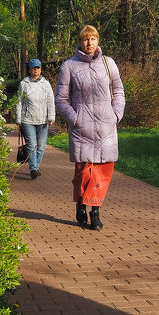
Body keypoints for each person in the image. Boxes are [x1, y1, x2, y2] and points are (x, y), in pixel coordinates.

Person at [55, 25, 125, 230]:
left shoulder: (108, 63)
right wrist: (74, 118)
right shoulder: (69, 66)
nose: (90, 43)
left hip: (106, 128)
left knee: (102, 172)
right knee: (84, 172)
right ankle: (80, 204)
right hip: (81, 129)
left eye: (93, 39)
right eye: (86, 39)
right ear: (79, 42)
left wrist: (116, 115)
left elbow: (119, 91)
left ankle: (95, 213)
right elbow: (61, 99)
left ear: (98, 40)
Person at [14, 58, 55, 179]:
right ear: (29, 70)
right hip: (28, 120)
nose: (35, 70)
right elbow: (19, 102)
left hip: (43, 120)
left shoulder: (46, 84)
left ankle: (35, 166)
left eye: (37, 68)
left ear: (41, 69)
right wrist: (18, 119)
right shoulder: (24, 83)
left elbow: (50, 101)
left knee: (41, 146)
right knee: (32, 145)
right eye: (33, 68)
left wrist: (51, 116)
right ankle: (33, 169)